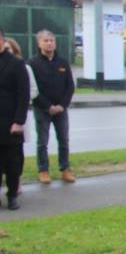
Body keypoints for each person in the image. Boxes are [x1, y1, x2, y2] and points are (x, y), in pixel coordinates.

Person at [28, 29, 75, 184]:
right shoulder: (33, 63)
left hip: (61, 110)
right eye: (45, 41)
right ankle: (43, 170)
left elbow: (70, 86)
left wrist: (62, 105)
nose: (49, 43)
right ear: (39, 43)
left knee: (64, 140)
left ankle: (65, 169)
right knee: (42, 141)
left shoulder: (62, 62)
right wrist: (48, 106)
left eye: (51, 40)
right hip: (42, 109)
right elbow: (33, 88)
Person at [0, 30, 30, 210]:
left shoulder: (16, 64)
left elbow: (23, 94)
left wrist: (19, 121)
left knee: (12, 162)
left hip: (10, 121)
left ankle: (12, 195)